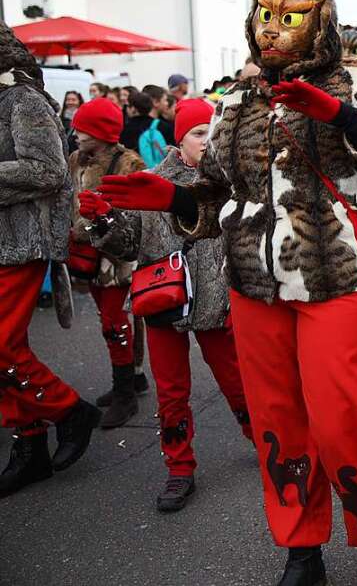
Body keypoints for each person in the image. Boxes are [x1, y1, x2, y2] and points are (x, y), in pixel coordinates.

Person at [98, 0, 357, 586]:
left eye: (291, 17)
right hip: (254, 281)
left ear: (319, 17)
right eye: (266, 17)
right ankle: (301, 545)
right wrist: (170, 198)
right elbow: (220, 190)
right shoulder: (236, 102)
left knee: (341, 422)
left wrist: (341, 115)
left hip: (334, 276)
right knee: (278, 420)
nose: (274, 29)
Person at [79, 98, 252, 512]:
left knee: (236, 381)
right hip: (163, 299)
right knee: (171, 392)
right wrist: (103, 222)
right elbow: (128, 243)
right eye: (197, 133)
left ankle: (267, 444)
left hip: (216, 300)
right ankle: (179, 468)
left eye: (213, 131)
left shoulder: (234, 179)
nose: (207, 141)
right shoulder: (153, 179)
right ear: (180, 139)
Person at [0, 22, 102, 498]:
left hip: (22, 241)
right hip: (4, 240)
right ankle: (30, 447)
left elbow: (47, 170)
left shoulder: (22, 98)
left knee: (1, 348)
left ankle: (69, 409)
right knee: (9, 347)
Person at [69, 97, 148, 428]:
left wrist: (90, 228)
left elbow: (137, 212)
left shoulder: (129, 164)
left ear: (99, 132)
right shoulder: (76, 159)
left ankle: (125, 395)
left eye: (82, 128)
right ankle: (132, 379)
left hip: (116, 260)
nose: (74, 131)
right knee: (109, 318)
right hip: (88, 256)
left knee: (114, 324)